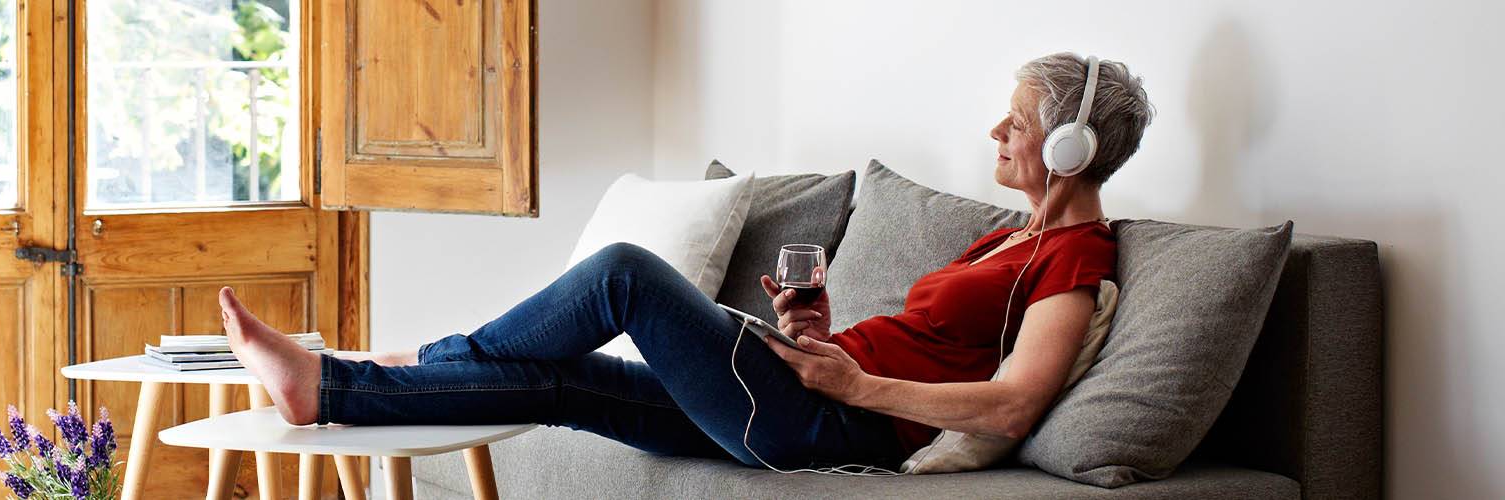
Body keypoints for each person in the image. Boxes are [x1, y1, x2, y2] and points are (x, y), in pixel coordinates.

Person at [218, 52, 1155, 470]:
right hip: (810, 389)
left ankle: (408, 360)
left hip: (827, 424)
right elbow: (939, 348)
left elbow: (1014, 404)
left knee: (624, 274)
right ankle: (329, 389)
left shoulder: (1076, 257)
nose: (996, 132)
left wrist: (857, 385)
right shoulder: (1009, 237)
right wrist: (822, 337)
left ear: (1070, 149)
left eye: (1017, 123)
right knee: (560, 384)